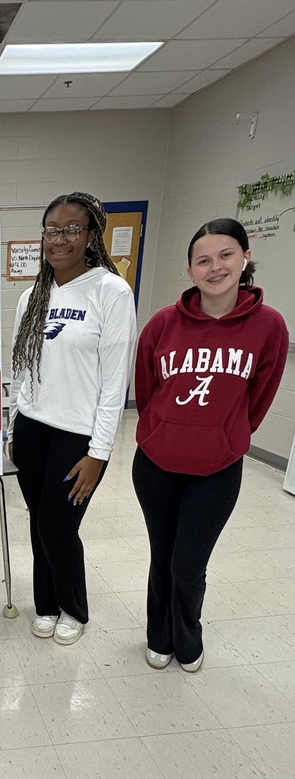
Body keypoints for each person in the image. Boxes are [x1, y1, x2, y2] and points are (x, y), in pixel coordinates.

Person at [132, 218, 288, 672]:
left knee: (188, 564)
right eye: (203, 260)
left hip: (217, 470)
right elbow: (147, 390)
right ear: (190, 271)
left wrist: (227, 433)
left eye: (225, 255)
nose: (214, 267)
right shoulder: (163, 324)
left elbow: (260, 395)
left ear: (245, 257)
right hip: (156, 464)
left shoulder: (269, 326)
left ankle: (187, 636)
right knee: (163, 556)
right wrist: (163, 430)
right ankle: (158, 636)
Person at [7, 192, 138, 644]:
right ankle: (45, 604)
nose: (59, 239)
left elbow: (114, 383)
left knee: (58, 525)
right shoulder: (32, 296)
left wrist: (99, 453)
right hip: (32, 428)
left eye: (71, 229)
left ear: (91, 235)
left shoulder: (111, 292)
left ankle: (74, 609)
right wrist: (12, 428)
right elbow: (21, 369)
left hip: (77, 436)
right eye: (51, 230)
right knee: (37, 521)